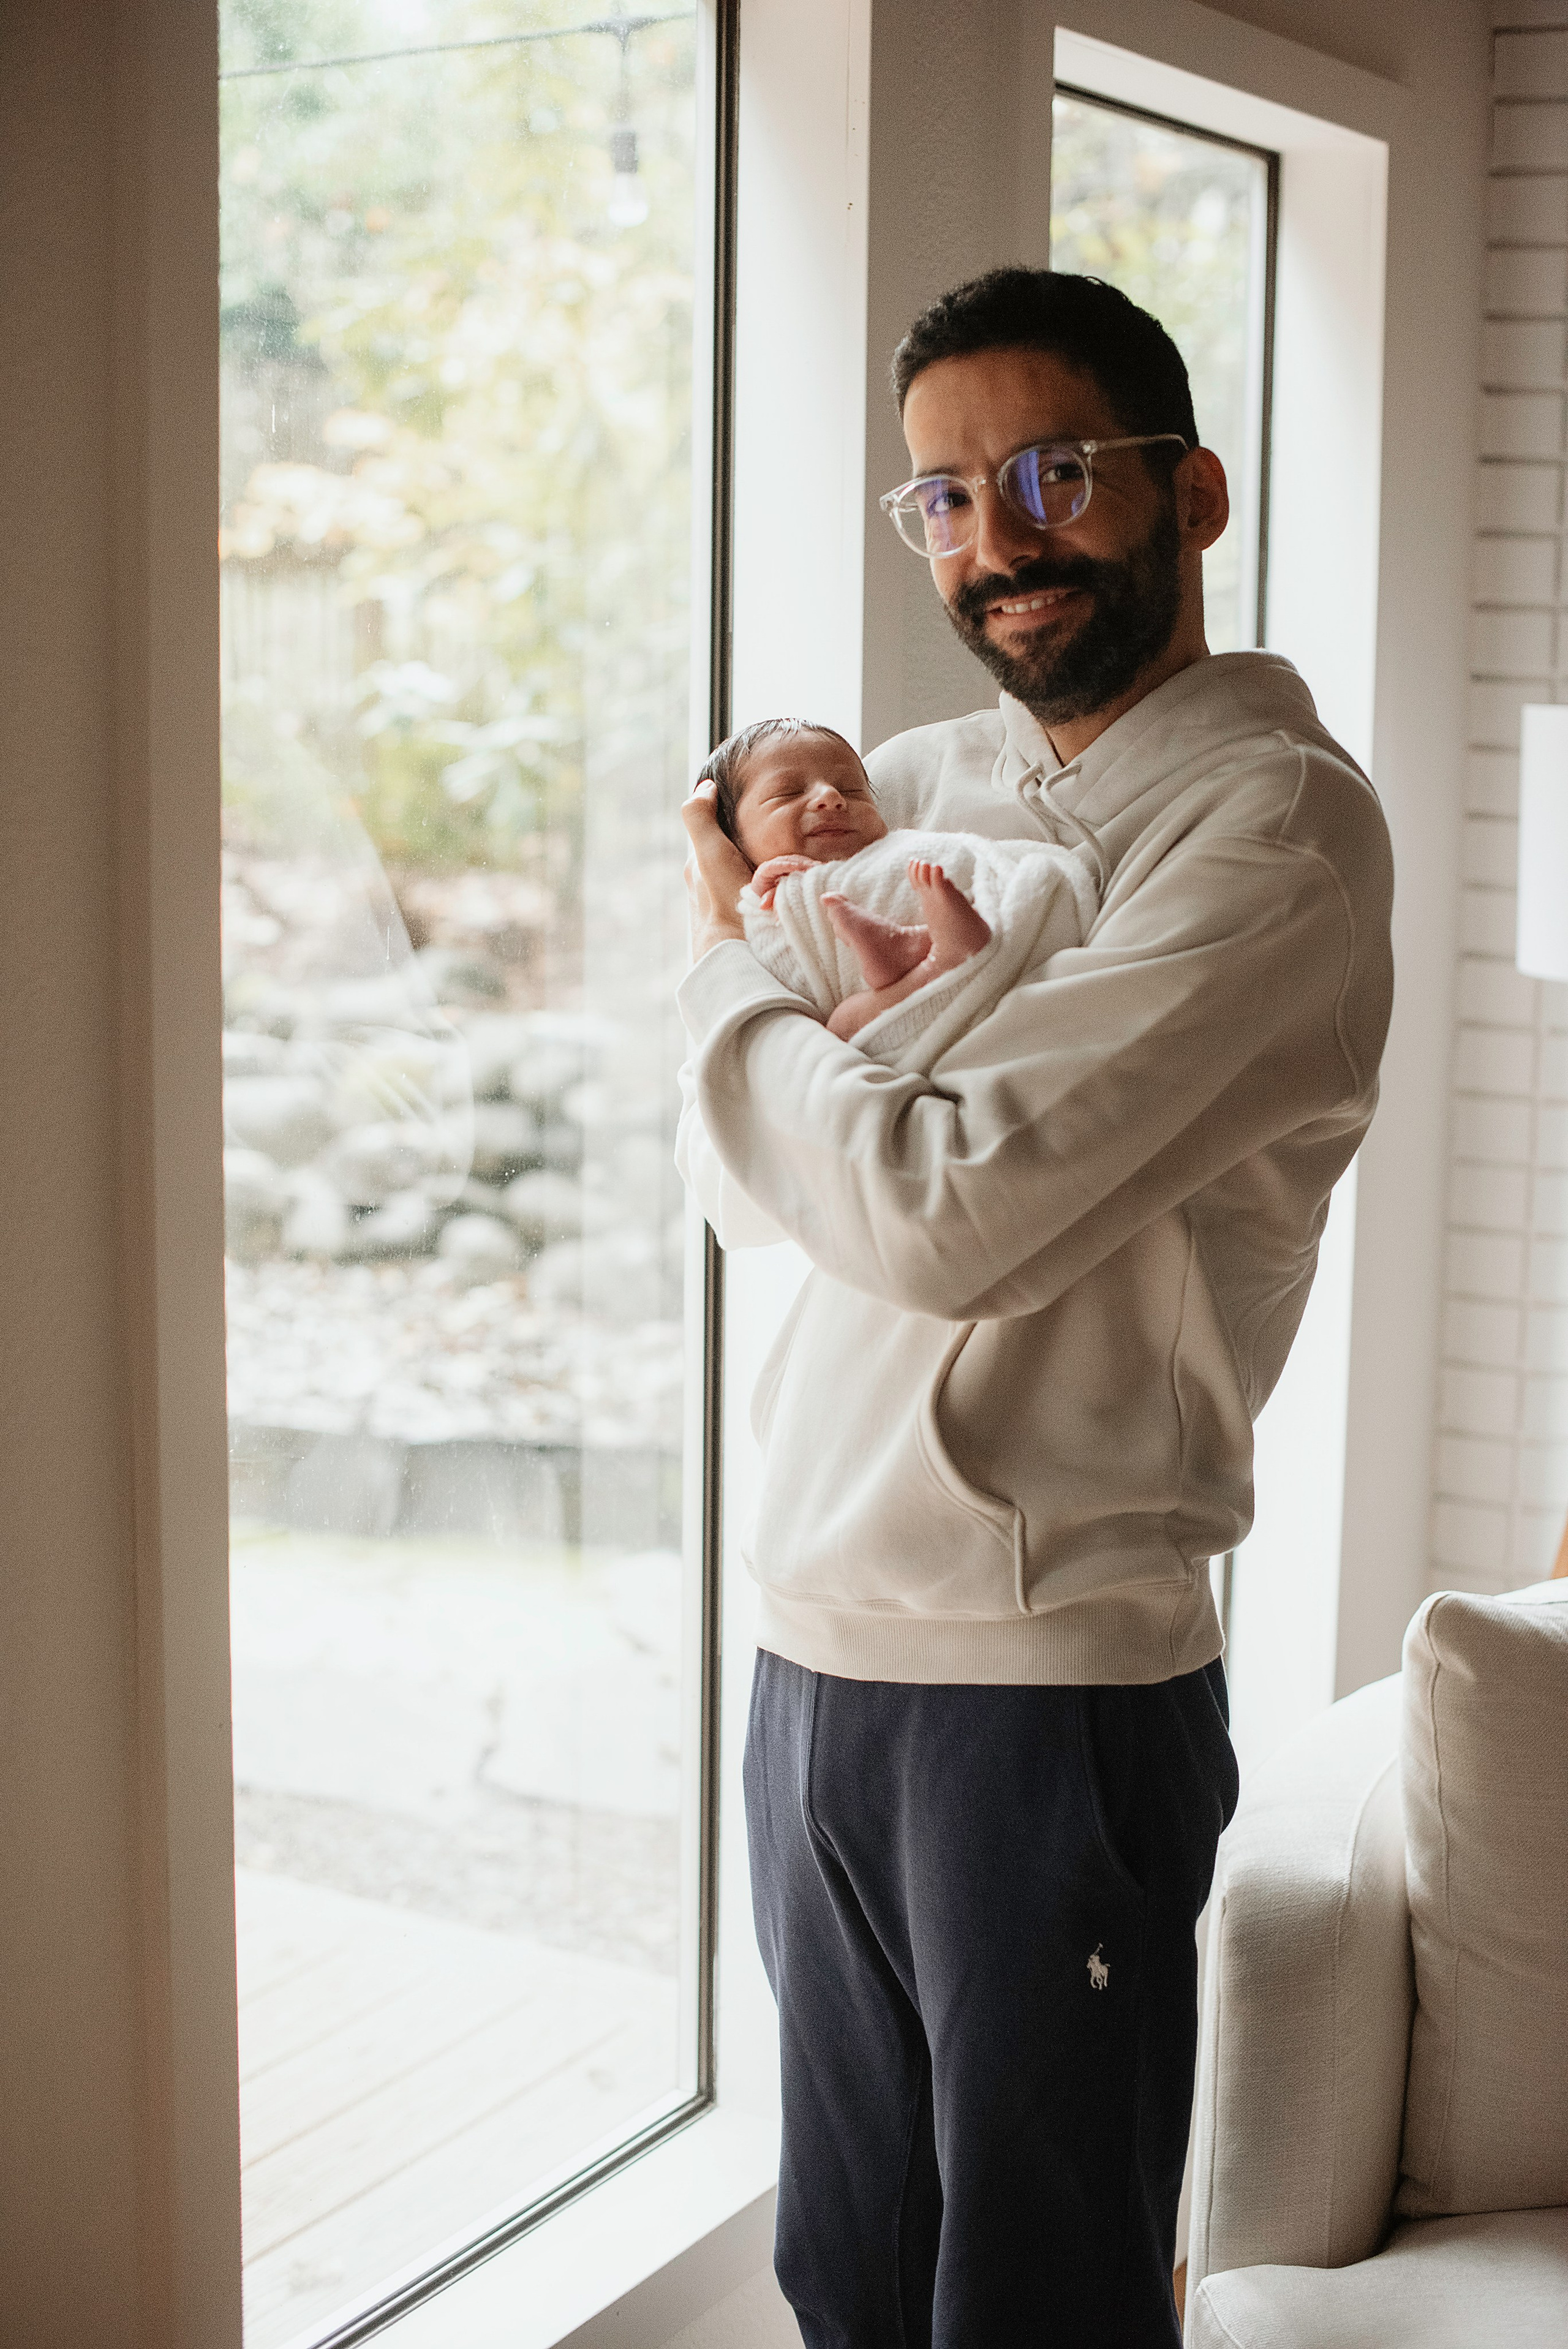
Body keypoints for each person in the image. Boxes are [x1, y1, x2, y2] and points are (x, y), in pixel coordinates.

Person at [677, 269, 1394, 2349]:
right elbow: (751, 1189)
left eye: (1052, 474)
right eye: (942, 498)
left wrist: (735, 970)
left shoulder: (1272, 836)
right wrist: (778, 1037)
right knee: (847, 2273)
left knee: (1037, 2297)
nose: (994, 541)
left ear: (1196, 491)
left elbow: (937, 1209)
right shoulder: (910, 784)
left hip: (1047, 1672)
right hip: (810, 1640)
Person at [687, 714, 1098, 1049]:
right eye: (788, 792)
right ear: (732, 839)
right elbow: (770, 944)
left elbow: (958, 855)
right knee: (843, 1026)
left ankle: (919, 949)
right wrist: (759, 890)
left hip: (986, 931)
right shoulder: (765, 892)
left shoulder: (898, 849)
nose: (832, 797)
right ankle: (935, 963)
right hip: (883, 998)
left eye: (853, 789)